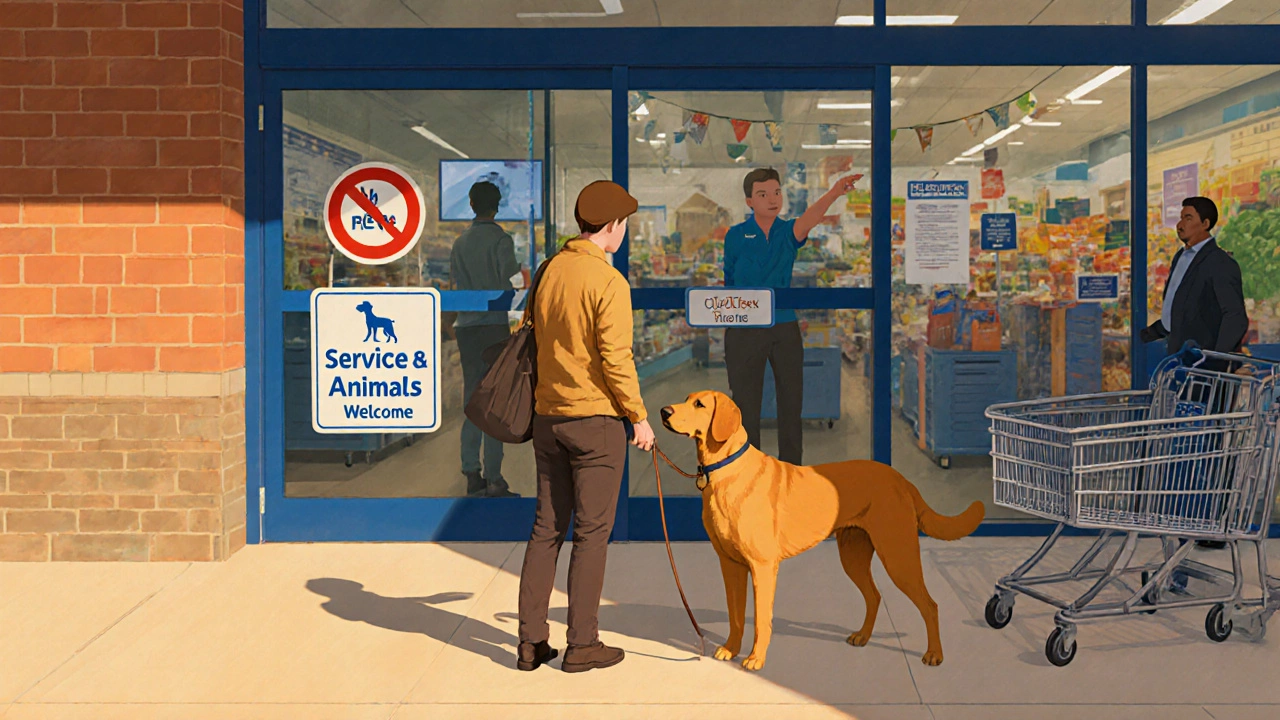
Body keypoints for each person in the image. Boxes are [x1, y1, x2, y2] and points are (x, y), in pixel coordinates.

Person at [516, 180, 655, 674]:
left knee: (545, 530)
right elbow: (616, 359)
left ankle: (531, 643)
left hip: (548, 417)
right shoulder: (608, 281)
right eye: (625, 224)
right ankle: (582, 645)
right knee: (592, 535)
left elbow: (526, 334)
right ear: (612, 225)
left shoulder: (550, 270)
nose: (625, 232)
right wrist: (638, 417)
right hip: (595, 421)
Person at [721, 167, 860, 465]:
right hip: (744, 330)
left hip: (783, 327)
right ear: (749, 202)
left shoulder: (787, 233)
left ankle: (791, 468)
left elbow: (811, 217)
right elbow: (729, 281)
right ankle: (749, 468)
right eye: (762, 194)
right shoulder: (735, 236)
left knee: (790, 402)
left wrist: (835, 192)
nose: (772, 199)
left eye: (776, 192)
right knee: (745, 405)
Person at [1139, 196, 1249, 551]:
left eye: (1187, 217)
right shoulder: (1181, 257)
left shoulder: (1220, 264)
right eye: (1180, 217)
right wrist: (1150, 334)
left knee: (1211, 444)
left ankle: (1214, 524)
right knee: (1187, 442)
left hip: (1208, 370)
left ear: (1205, 223)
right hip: (1182, 364)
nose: (1180, 223)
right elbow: (1178, 309)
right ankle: (1190, 514)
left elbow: (1235, 316)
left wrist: (1216, 361)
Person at [450, 181, 521, 498]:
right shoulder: (501, 240)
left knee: (472, 399)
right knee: (493, 402)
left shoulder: (460, 242)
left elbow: (455, 283)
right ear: (498, 205)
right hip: (493, 328)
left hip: (466, 327)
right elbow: (512, 280)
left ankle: (470, 471)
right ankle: (494, 477)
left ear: (471, 203)